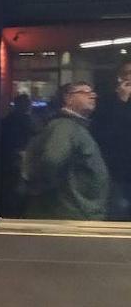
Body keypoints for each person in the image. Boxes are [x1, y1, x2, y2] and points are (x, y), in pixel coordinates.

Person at [21, 82, 110, 221]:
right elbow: (51, 161)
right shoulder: (65, 127)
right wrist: (53, 196)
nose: (92, 95)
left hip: (74, 210)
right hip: (71, 212)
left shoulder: (74, 126)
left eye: (92, 92)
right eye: (84, 92)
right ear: (68, 99)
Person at [92, 64, 131, 220]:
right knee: (119, 212)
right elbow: (105, 134)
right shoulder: (107, 101)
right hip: (116, 170)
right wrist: (122, 101)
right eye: (127, 73)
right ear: (120, 77)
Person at [0, 93, 40, 218]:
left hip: (9, 163)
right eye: (25, 104)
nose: (27, 106)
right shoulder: (30, 122)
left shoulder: (6, 121)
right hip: (17, 163)